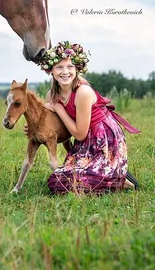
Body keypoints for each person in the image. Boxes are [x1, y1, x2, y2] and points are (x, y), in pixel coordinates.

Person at [36, 40, 140, 195]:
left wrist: (58, 109)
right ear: (51, 70)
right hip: (84, 143)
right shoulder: (50, 95)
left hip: (103, 138)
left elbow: (79, 133)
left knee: (78, 181)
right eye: (59, 67)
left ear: (78, 68)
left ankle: (117, 177)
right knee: (56, 181)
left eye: (70, 66)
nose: (65, 72)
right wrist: (36, 128)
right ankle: (109, 173)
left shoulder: (82, 92)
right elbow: (55, 125)